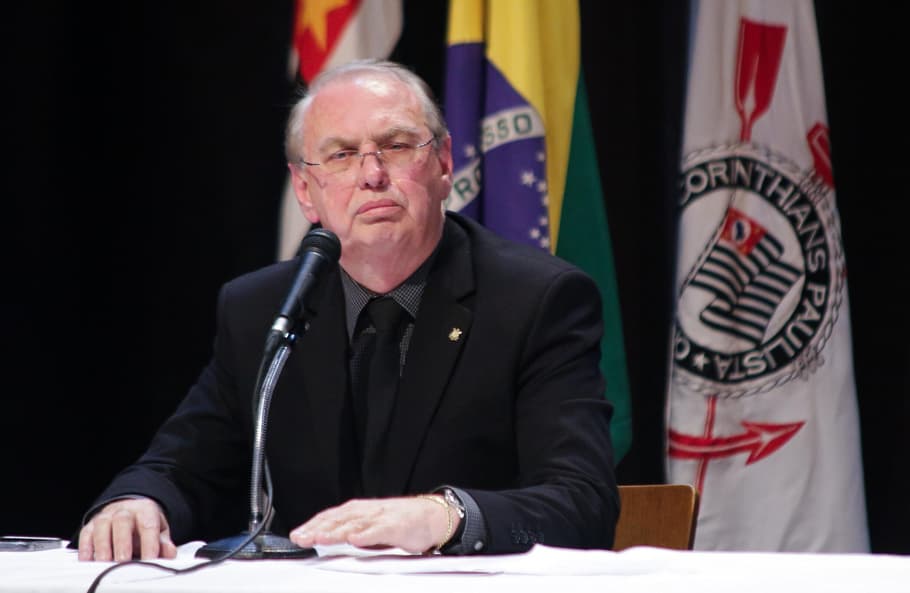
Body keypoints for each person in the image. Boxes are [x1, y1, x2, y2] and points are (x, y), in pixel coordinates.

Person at [75, 59, 619, 561]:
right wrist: (138, 502)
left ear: (444, 163)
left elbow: (583, 503)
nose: (372, 174)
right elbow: (180, 466)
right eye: (341, 155)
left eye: (397, 146)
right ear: (305, 189)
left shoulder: (535, 301)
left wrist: (447, 516)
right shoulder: (263, 309)